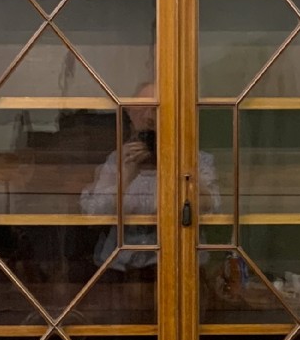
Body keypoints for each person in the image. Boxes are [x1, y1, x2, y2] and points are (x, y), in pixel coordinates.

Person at [80, 83, 220, 268]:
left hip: (180, 268)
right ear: (130, 115)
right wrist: (126, 177)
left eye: (156, 110)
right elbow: (93, 214)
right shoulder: (118, 160)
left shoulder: (196, 159)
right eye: (141, 111)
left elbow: (214, 207)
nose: (148, 118)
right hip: (122, 268)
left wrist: (177, 165)